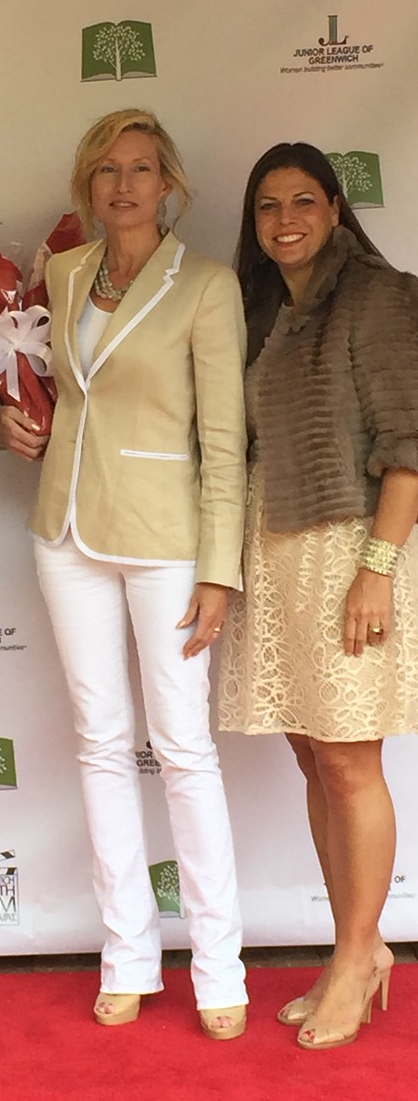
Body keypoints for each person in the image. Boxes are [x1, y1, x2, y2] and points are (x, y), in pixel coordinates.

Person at [0, 110, 249, 1038]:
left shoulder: (207, 286)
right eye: (106, 171)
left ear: (169, 182)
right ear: (85, 186)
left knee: (182, 750)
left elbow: (224, 440)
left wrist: (220, 569)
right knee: (101, 743)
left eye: (141, 169)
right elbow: (57, 403)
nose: (123, 186)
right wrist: (2, 426)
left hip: (167, 540)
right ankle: (127, 953)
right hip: (64, 532)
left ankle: (220, 967)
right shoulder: (62, 275)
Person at [218, 143, 418, 1050]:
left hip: (349, 553)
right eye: (268, 206)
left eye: (303, 201)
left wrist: (377, 566)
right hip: (275, 550)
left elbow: (409, 445)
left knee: (349, 764)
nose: (285, 220)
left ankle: (354, 959)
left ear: (337, 209)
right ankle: (356, 946)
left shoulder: (379, 295)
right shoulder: (262, 308)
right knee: (313, 760)